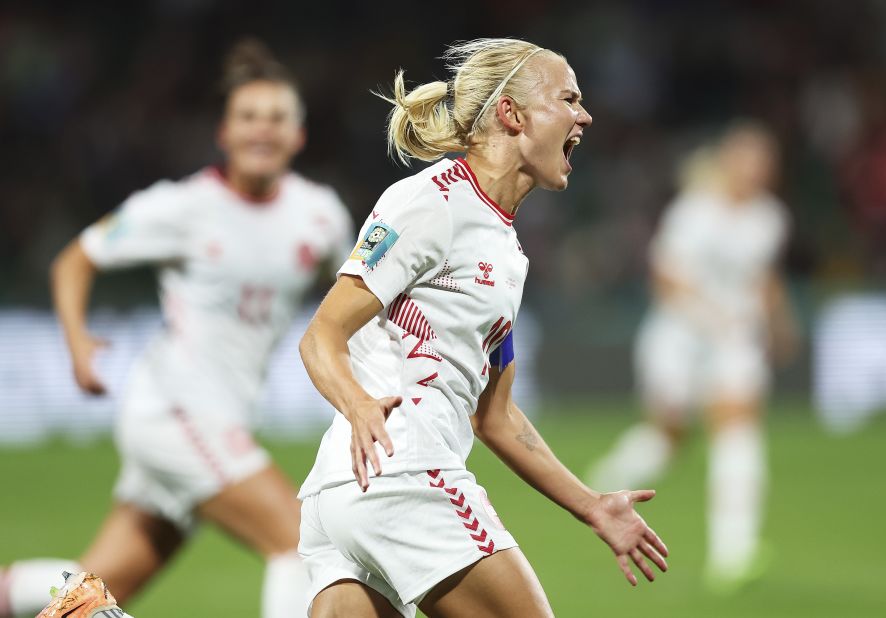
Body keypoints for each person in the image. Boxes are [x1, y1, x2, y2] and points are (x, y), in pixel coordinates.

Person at [296, 38, 670, 618]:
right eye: (568, 98)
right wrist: (358, 404)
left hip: (348, 492)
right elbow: (321, 333)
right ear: (512, 114)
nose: (585, 115)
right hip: (404, 471)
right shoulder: (429, 202)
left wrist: (592, 505)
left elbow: (495, 414)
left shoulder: (505, 248)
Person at [0, 39, 354, 618]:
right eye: (248, 118)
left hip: (221, 419)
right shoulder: (180, 207)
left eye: (277, 118)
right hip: (176, 412)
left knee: (97, 592)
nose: (261, 130)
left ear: (299, 136)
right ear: (224, 133)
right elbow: (75, 259)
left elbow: (351, 298)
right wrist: (77, 344)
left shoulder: (321, 215)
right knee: (302, 540)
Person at [587, 121, 797, 591]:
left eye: (765, 160)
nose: (757, 169)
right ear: (729, 161)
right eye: (748, 158)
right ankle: (607, 482)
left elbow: (764, 279)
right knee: (668, 439)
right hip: (678, 340)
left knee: (737, 431)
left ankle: (733, 554)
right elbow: (665, 280)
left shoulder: (770, 218)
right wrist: (711, 316)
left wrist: (780, 325)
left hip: (734, 343)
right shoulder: (695, 213)